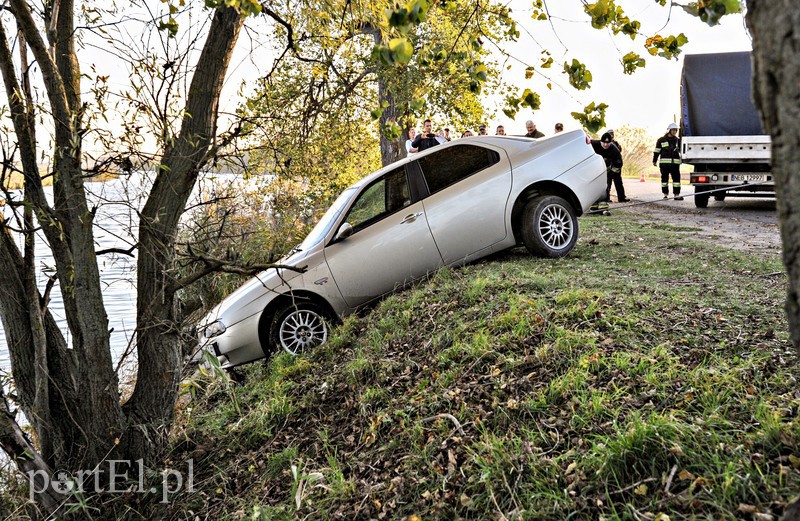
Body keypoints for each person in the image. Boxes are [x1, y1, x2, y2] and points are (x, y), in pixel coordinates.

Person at [592, 132, 629, 203]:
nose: (606, 145)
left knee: (617, 180)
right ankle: (606, 198)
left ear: (611, 142)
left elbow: (619, 163)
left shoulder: (615, 150)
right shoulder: (593, 144)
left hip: (613, 165)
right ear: (600, 141)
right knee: (606, 183)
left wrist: (611, 172)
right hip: (600, 165)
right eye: (604, 143)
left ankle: (621, 198)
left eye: (608, 143)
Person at [653, 122, 683, 200]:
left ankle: (676, 195)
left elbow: (681, 151)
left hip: (675, 164)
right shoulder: (661, 140)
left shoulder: (677, 140)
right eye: (673, 130)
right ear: (669, 130)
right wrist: (654, 160)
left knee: (676, 180)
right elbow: (657, 151)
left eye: (675, 130)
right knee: (664, 180)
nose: (674, 132)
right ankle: (665, 195)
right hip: (664, 164)